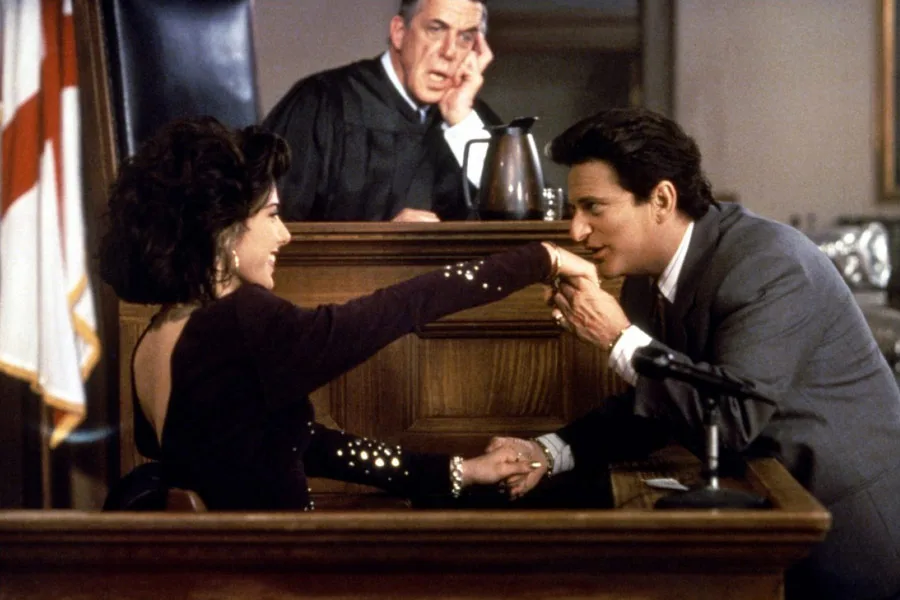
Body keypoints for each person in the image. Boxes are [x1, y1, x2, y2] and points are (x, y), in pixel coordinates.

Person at [488, 108, 900, 599]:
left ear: (662, 199)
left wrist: (619, 338)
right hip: (767, 509)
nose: (576, 230)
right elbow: (654, 405)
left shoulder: (768, 263)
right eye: (574, 209)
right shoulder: (645, 276)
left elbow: (729, 418)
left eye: (593, 207)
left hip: (846, 529)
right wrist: (547, 451)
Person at [98, 116, 597, 511]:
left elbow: (304, 445)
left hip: (222, 574)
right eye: (272, 215)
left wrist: (460, 473)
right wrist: (539, 259)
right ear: (223, 229)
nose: (285, 235)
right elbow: (399, 307)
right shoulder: (239, 321)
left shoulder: (158, 335)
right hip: (269, 577)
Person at [261, 0, 497, 223]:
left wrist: (460, 120)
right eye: (436, 30)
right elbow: (263, 229)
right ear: (399, 32)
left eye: (465, 37)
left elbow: (509, 231)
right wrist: (383, 244)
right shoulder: (321, 103)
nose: (450, 51)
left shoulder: (473, 122)